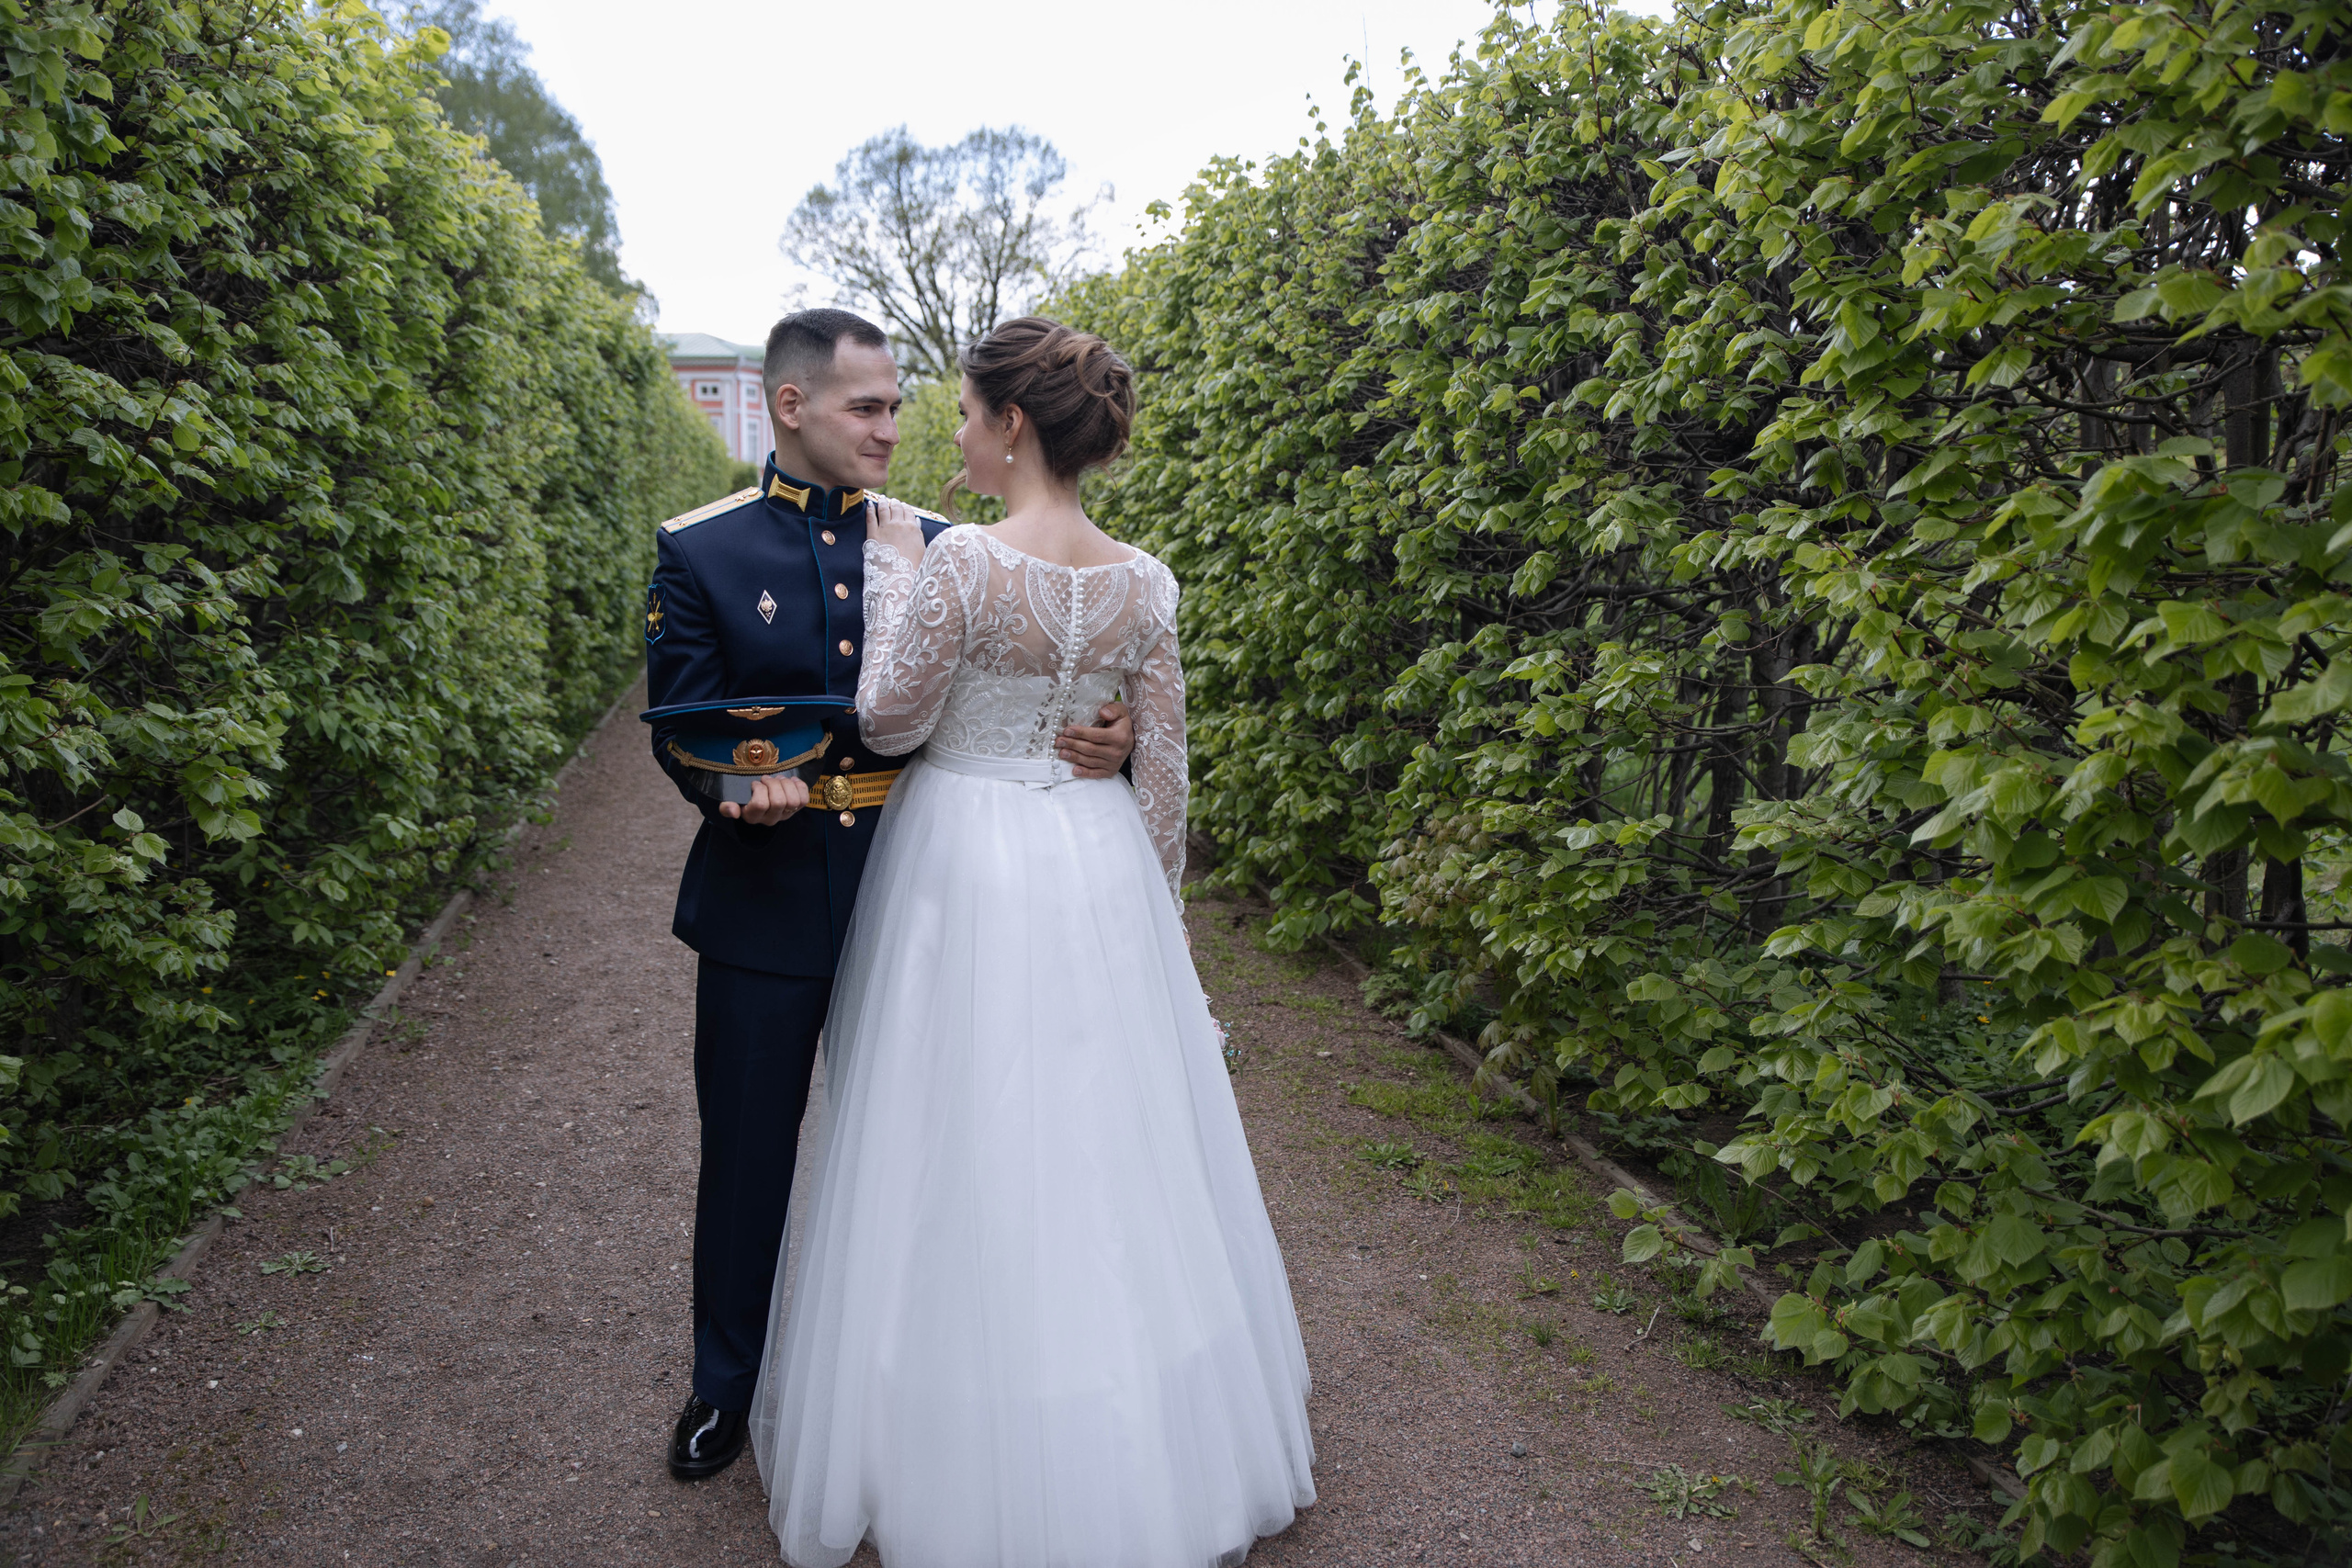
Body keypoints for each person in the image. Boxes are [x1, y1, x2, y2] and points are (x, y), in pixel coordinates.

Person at [749, 318, 1316, 1567]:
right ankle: (1141, 1425)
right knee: (1106, 1135)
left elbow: (890, 723)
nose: (946, 433)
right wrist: (1154, 914)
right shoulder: (1145, 579)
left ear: (1011, 427)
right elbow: (1164, 773)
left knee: (954, 1126)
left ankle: (959, 1420)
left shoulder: (958, 565)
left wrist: (897, 572)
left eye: (959, 412)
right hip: (1096, 865)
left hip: (965, 858)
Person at [643, 309, 1137, 1482]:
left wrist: (1107, 732)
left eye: (900, 404)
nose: (891, 428)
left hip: (924, 893)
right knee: (749, 1153)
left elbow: (1022, 681)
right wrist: (729, 782)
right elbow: (685, 725)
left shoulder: (944, 541)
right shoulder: (701, 549)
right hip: (766, 894)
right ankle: (725, 1385)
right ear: (791, 406)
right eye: (866, 407)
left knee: (933, 1154)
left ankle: (907, 1387)